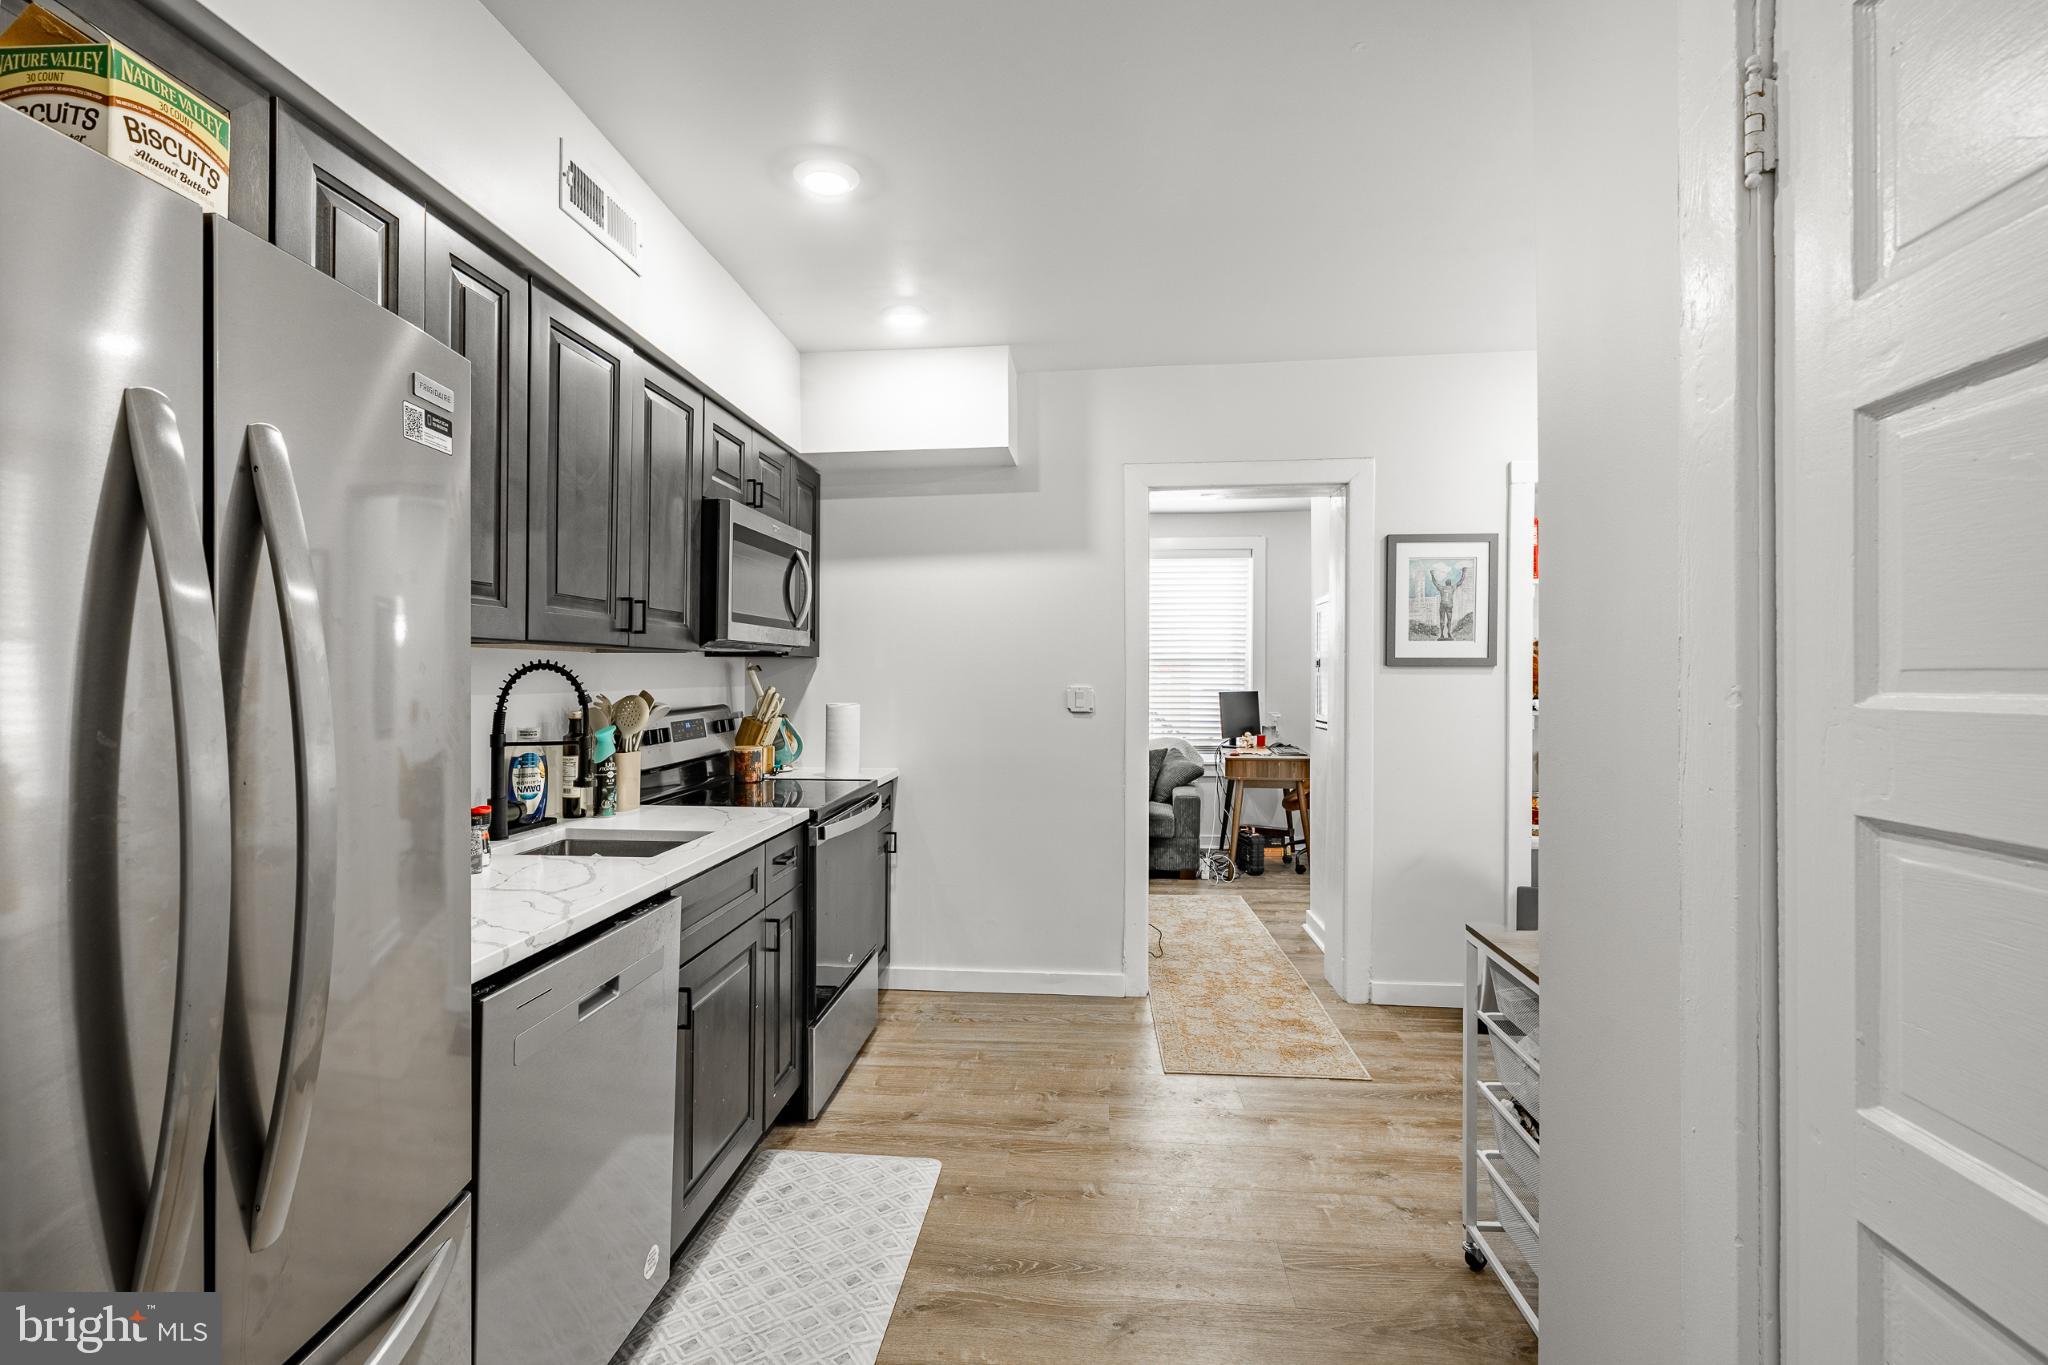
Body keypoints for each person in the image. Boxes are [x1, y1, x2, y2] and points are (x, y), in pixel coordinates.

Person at [1428, 563, 1467, 640]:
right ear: (1450, 583)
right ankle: (1449, 633)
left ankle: (1442, 634)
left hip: (1442, 605)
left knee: (1442, 620)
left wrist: (1432, 574)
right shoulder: (1452, 588)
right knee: (1449, 619)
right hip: (1449, 606)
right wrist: (1464, 572)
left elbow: (1434, 582)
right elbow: (1460, 581)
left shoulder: (1442, 588)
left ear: (1445, 583)